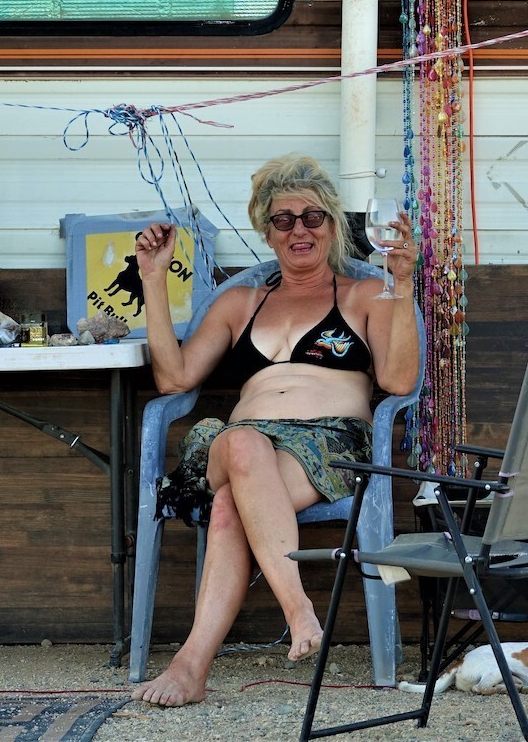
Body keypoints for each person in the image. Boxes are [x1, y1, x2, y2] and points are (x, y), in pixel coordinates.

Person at [130, 153, 420, 707]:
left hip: (328, 444)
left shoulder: (362, 295)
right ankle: (298, 607)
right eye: (283, 219)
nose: (299, 230)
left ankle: (190, 667)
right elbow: (174, 379)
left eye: (312, 217)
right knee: (241, 442)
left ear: (332, 226)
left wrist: (402, 284)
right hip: (241, 440)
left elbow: (399, 380)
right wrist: (153, 277)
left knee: (229, 505)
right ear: (267, 231)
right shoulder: (239, 302)